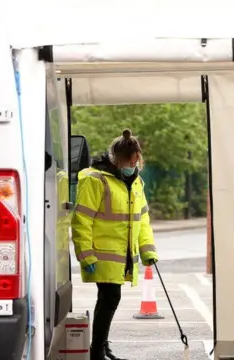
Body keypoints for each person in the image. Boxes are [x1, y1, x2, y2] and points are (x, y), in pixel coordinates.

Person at [71, 128, 159, 360]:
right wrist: (86, 255)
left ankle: (102, 347)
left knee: (108, 299)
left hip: (124, 254)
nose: (133, 165)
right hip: (101, 254)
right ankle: (97, 352)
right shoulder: (95, 180)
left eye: (136, 161)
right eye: (129, 162)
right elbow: (82, 219)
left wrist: (148, 248)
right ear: (116, 159)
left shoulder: (136, 181)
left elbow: (142, 218)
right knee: (110, 298)